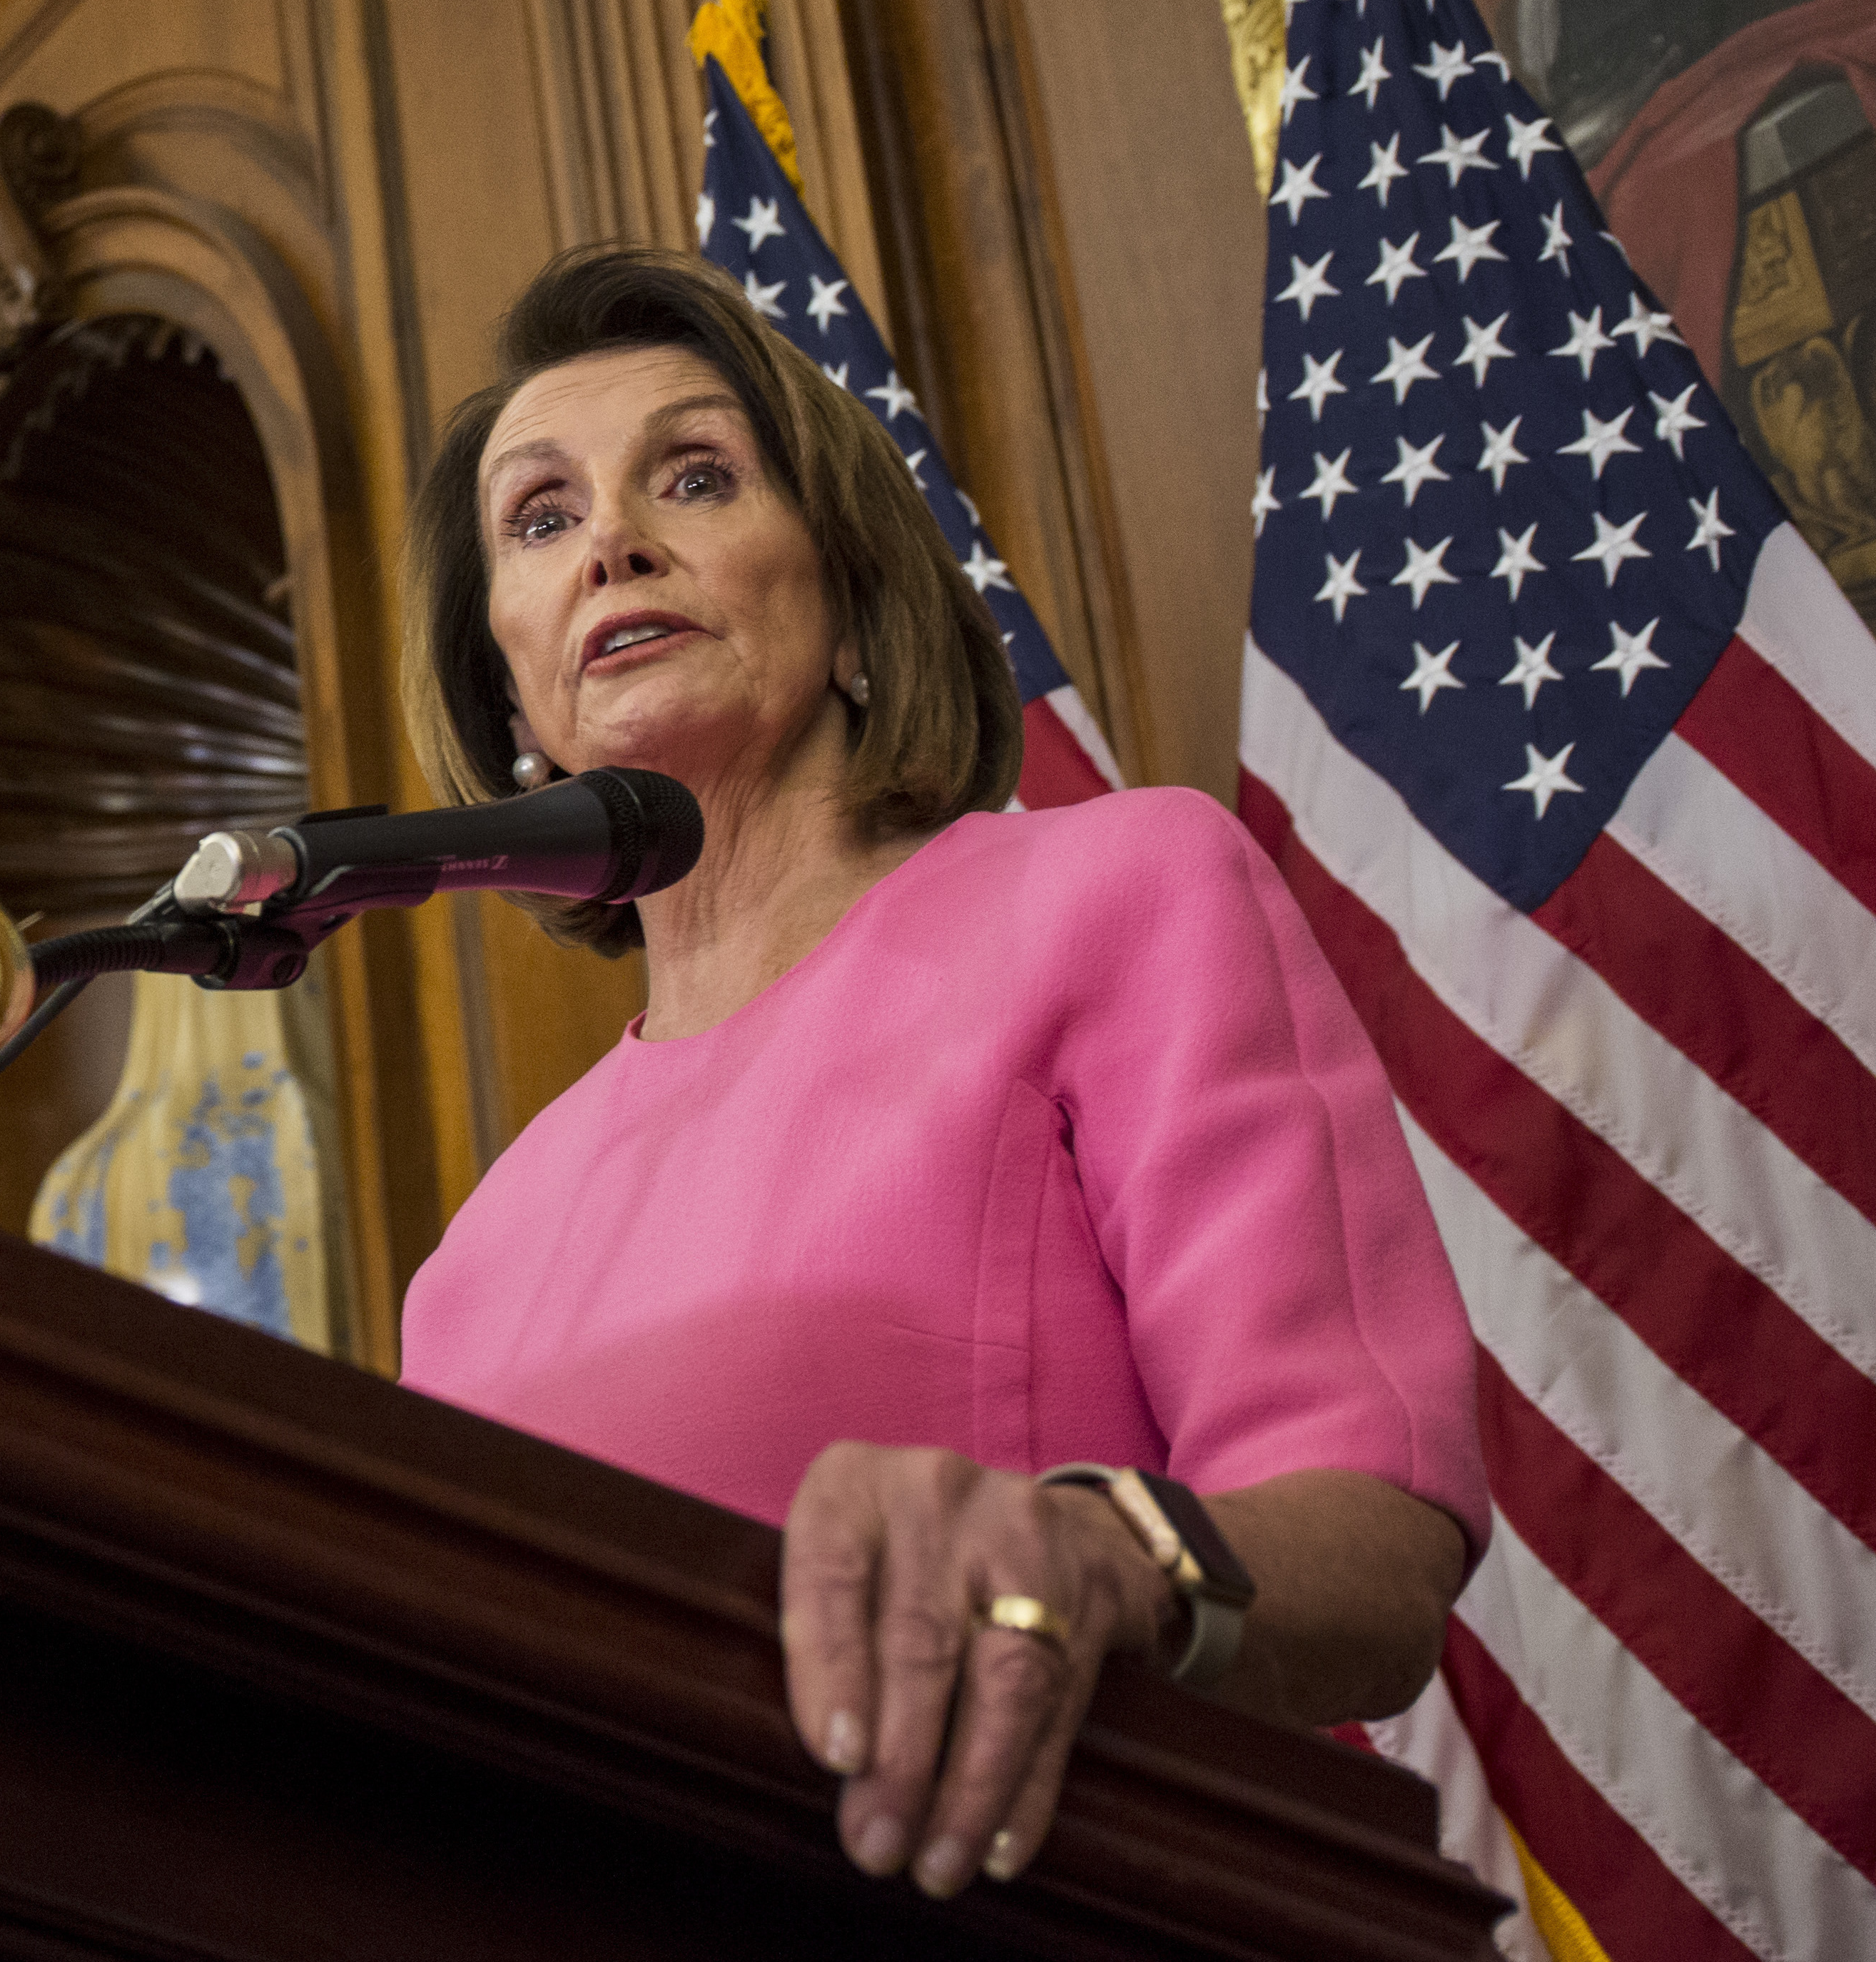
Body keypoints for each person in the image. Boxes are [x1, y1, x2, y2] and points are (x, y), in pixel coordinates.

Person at [394, 249, 1486, 1903]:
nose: (612, 535)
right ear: (512, 687)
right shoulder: (468, 1266)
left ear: (845, 598)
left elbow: (1374, 1549)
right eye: (539, 517)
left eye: (696, 475)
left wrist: (1104, 1554)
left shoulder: (1116, 892)